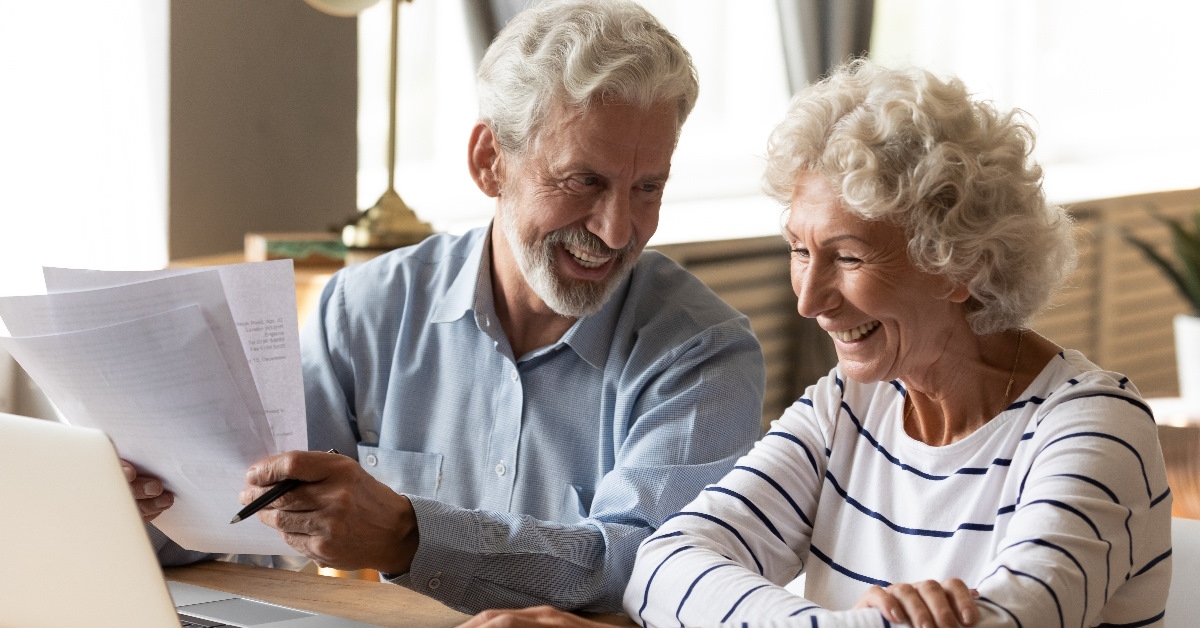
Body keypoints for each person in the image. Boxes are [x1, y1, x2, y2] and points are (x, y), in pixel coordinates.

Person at [124, 0, 766, 616]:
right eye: (583, 182)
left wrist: (408, 535)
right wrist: (141, 508)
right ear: (490, 163)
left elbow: (643, 567)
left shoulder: (704, 354)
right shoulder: (363, 311)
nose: (618, 230)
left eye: (648, 188)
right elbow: (248, 519)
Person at [614, 59, 1174, 628]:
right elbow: (661, 568)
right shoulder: (847, 407)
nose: (809, 300)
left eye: (848, 257)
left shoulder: (1096, 426)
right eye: (801, 250)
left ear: (961, 263)